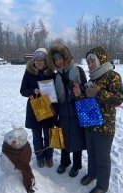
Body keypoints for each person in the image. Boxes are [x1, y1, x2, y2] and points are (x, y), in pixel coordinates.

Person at [73, 46, 123, 193]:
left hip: (105, 126)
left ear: (100, 60)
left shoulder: (112, 76)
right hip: (90, 123)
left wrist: (99, 92)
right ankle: (92, 173)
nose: (89, 64)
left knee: (102, 156)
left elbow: (118, 99)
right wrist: (79, 95)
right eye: (88, 61)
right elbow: (88, 102)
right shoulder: (92, 79)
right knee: (91, 153)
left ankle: (102, 185)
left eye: (92, 61)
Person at [47, 44, 87, 177]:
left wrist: (69, 82)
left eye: (60, 58)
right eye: (55, 60)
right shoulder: (56, 76)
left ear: (66, 57)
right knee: (63, 138)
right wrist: (55, 115)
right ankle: (65, 162)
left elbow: (84, 91)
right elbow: (54, 97)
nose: (58, 62)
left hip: (77, 111)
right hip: (63, 112)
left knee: (77, 139)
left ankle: (76, 165)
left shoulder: (78, 71)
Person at [20, 48, 56, 168]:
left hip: (48, 107)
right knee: (36, 136)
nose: (39, 62)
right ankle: (40, 157)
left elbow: (56, 91)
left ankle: (49, 156)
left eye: (42, 60)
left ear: (46, 61)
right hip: (34, 108)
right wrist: (32, 90)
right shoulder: (29, 72)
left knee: (48, 135)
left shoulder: (52, 73)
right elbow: (22, 90)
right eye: (37, 60)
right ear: (33, 61)